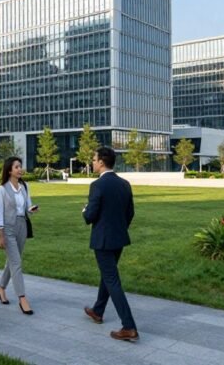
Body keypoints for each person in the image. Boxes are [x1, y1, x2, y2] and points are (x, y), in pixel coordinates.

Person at [82, 146, 139, 342]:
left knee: (112, 279)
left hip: (103, 240)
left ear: (101, 162)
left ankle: (129, 326)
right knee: (108, 275)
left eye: (94, 159)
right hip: (119, 238)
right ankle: (98, 311)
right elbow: (130, 212)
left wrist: (84, 210)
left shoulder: (97, 185)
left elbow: (90, 216)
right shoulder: (125, 184)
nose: (92, 162)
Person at [0, 156, 37, 315]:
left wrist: (31, 209)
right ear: (9, 170)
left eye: (20, 166)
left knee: (12, 261)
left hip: (22, 227)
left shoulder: (24, 186)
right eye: (17, 167)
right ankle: (22, 298)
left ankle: (1, 288)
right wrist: (0, 234)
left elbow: (27, 206)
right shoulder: (1, 190)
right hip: (8, 229)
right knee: (16, 262)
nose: (20, 169)